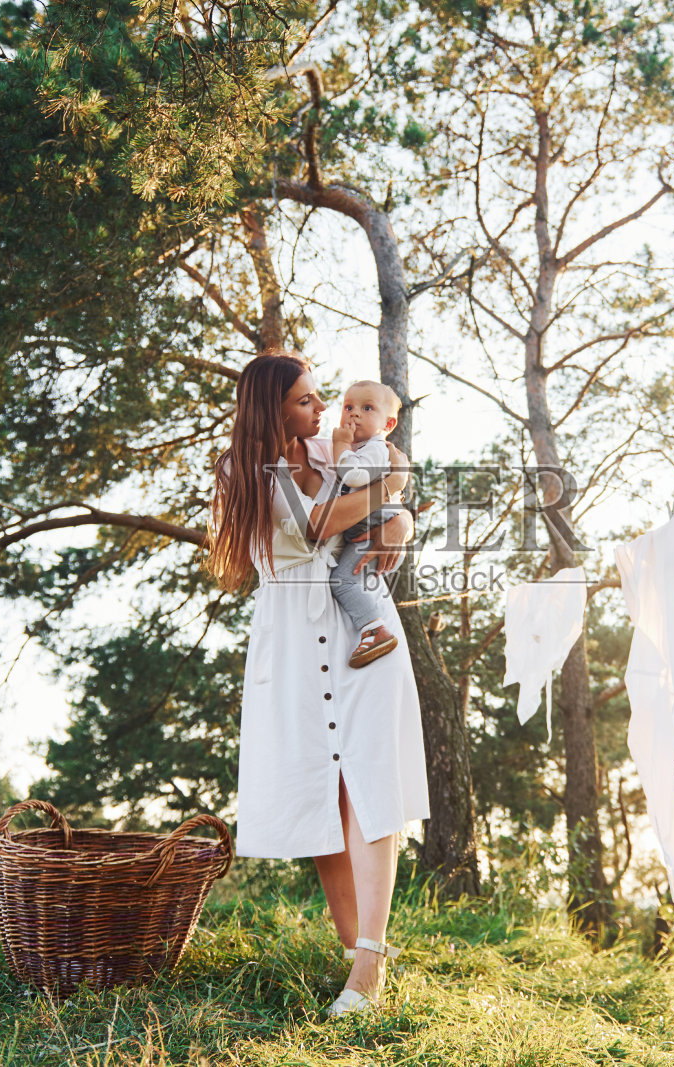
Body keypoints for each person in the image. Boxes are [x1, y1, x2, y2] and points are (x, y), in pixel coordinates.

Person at [206, 352, 429, 1017]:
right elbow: (316, 525)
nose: (322, 406)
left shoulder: (334, 449)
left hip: (365, 627)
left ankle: (369, 964)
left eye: (320, 397)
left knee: (368, 779)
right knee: (321, 789)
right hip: (294, 637)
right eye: (306, 399)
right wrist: (386, 500)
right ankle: (349, 946)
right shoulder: (240, 470)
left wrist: (403, 520)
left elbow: (395, 471)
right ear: (272, 409)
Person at [327, 380, 407, 669]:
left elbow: (354, 476)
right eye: (348, 406)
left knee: (342, 582)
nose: (354, 414)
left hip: (374, 536)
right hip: (368, 534)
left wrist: (339, 445)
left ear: (388, 423)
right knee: (348, 581)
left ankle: (374, 630)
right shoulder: (362, 448)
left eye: (367, 408)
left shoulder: (376, 448)